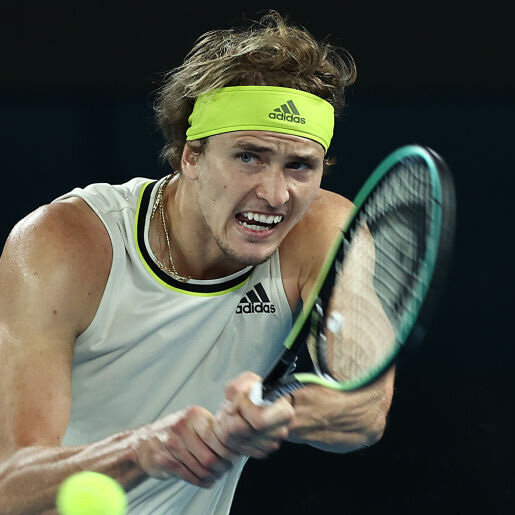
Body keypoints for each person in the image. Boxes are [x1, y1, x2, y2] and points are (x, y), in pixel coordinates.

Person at [0, 11, 394, 514]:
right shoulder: (64, 243)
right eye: (249, 156)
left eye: (299, 166)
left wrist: (276, 412)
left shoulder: (323, 233)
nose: (276, 194)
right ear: (191, 156)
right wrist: (142, 450)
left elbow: (366, 411)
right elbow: (9, 483)